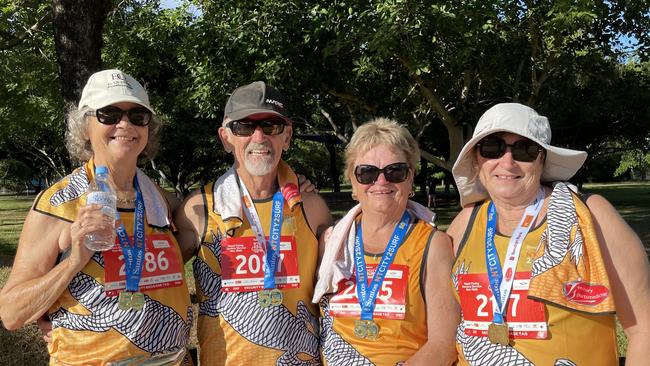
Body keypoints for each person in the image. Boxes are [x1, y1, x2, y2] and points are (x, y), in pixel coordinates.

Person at [0, 69, 193, 365]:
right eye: (109, 114)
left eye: (138, 116)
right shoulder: (59, 203)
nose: (125, 124)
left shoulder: (157, 197)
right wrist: (74, 261)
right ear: (85, 126)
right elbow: (12, 313)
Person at [447, 103, 650, 365]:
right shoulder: (464, 224)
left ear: (542, 160)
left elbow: (644, 328)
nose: (507, 162)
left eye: (525, 150)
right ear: (477, 160)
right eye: (492, 148)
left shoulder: (592, 215)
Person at [174, 81, 332, 365]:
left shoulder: (311, 207)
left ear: (287, 136)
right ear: (225, 138)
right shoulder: (197, 209)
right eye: (244, 127)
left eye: (271, 126)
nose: (259, 137)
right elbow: (151, 280)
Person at [313, 118, 459, 365]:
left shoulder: (433, 246)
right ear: (352, 180)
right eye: (367, 173)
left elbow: (442, 346)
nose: (381, 182)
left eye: (395, 171)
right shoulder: (330, 241)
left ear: (410, 177)